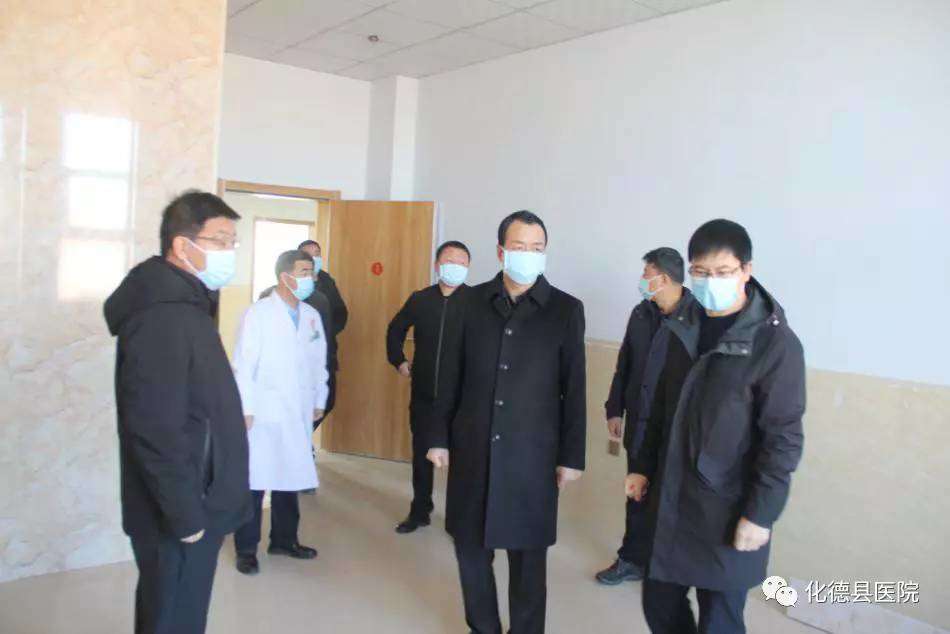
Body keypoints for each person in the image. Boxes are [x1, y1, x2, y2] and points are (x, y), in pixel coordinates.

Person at [627, 219, 806, 634]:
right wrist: (641, 466)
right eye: (701, 272)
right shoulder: (680, 327)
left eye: (722, 272)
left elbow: (782, 439)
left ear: (746, 270)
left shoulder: (774, 344)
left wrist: (760, 514)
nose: (710, 282)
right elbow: (659, 406)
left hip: (728, 509)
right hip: (671, 499)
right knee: (658, 603)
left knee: (719, 621)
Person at [428, 210, 586, 634]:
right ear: (501, 252)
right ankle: (483, 627)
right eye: (520, 247)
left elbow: (574, 388)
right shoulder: (469, 303)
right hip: (473, 448)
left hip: (532, 456)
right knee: (470, 550)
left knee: (528, 558)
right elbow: (449, 376)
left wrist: (571, 456)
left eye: (537, 248)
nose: (528, 255)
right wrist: (438, 436)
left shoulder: (565, 310)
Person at [104, 191, 251, 634]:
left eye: (233, 242)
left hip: (194, 500)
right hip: (182, 511)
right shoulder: (163, 316)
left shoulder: (186, 304)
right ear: (182, 246)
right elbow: (153, 426)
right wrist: (185, 517)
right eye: (220, 240)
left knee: (175, 611)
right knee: (173, 617)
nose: (229, 252)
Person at [596, 248, 694, 586]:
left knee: (669, 500)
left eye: (646, 274)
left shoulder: (697, 319)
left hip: (675, 431)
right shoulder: (641, 313)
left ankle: (665, 569)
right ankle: (631, 559)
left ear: (663, 278)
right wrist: (614, 409)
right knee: (636, 494)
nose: (642, 280)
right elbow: (624, 363)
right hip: (639, 425)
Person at [231, 250, 329, 575]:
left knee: (291, 474)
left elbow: (319, 362)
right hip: (264, 410)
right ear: (285, 276)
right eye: (304, 271)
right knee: (255, 480)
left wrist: (319, 398)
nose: (310, 278)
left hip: (298, 409)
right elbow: (244, 364)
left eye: (311, 272)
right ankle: (246, 549)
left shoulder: (311, 315)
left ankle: (284, 540)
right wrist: (245, 408)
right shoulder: (258, 314)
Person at [386, 240, 471, 534]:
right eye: (449, 260)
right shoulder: (420, 299)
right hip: (424, 395)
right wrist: (398, 360)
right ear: (437, 265)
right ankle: (420, 510)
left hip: (463, 398)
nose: (455, 266)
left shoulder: (476, 301)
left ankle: (459, 518)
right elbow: (395, 329)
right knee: (422, 456)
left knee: (463, 460)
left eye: (462, 262)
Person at [298, 239, 347, 424]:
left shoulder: (326, 280)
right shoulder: (295, 284)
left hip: (326, 352)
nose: (314, 258)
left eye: (317, 254)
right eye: (309, 254)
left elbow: (340, 313)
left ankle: (304, 435)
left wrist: (326, 333)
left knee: (327, 401)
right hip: (301, 356)